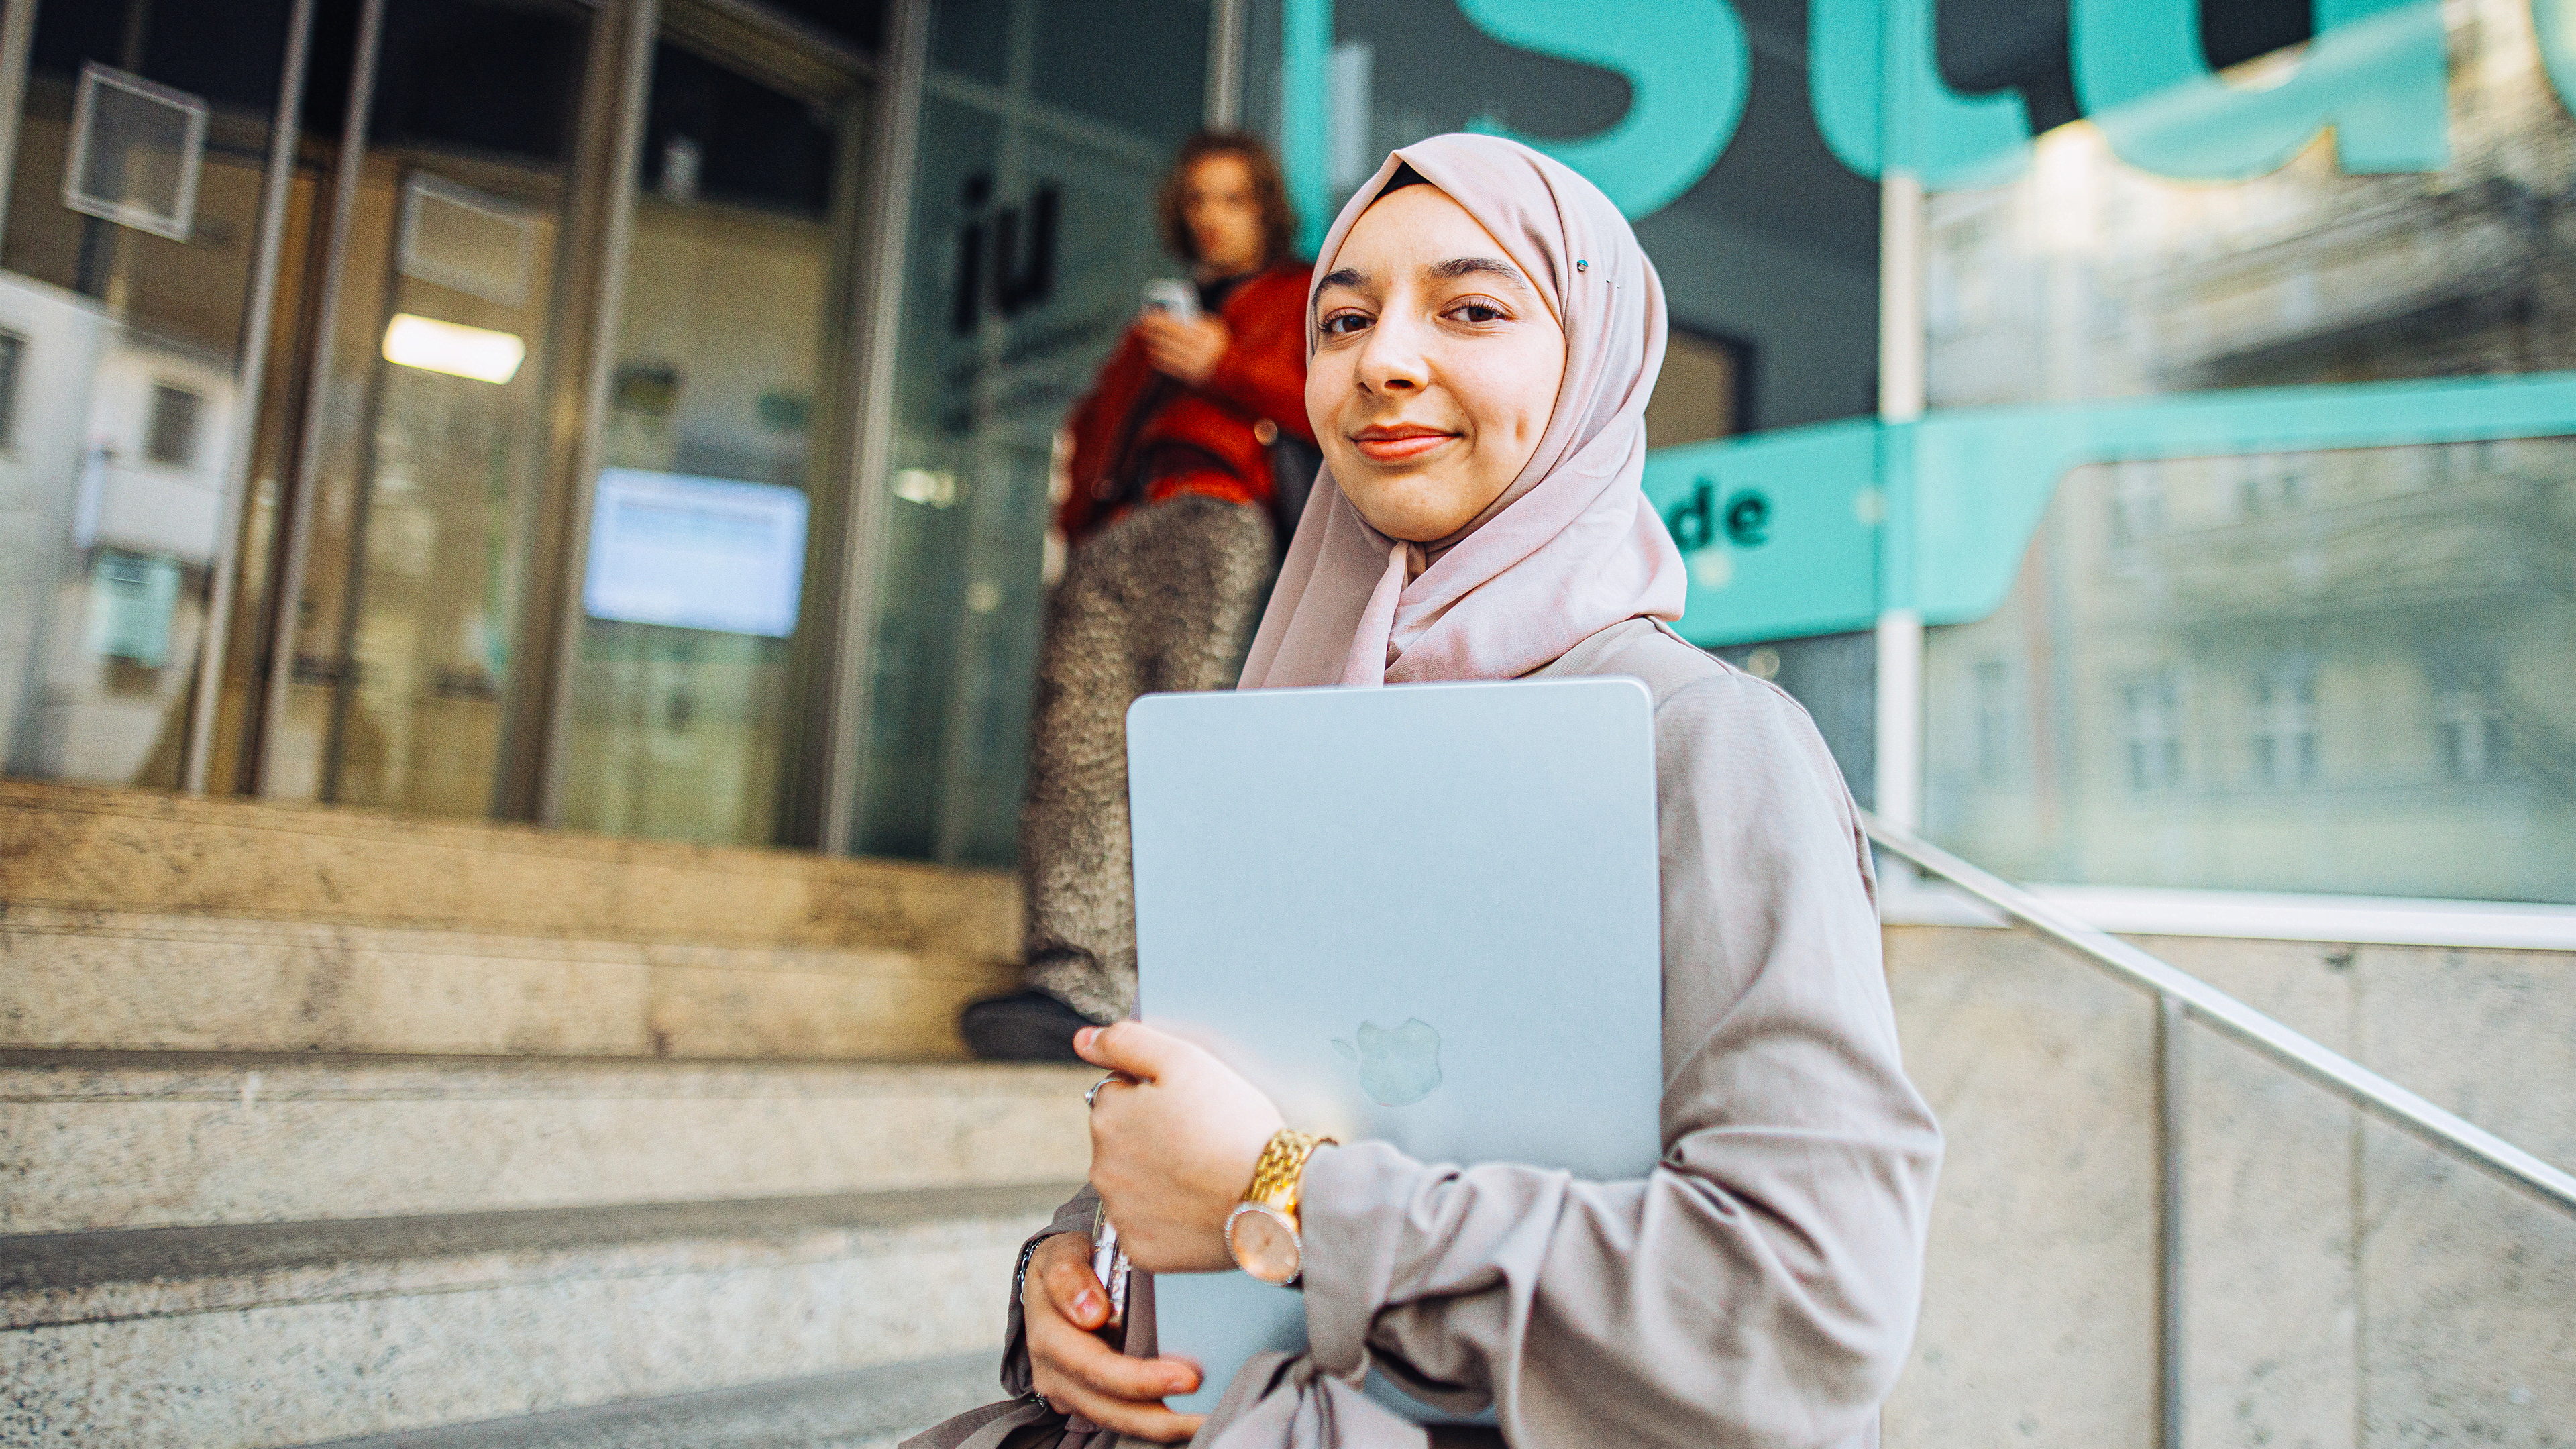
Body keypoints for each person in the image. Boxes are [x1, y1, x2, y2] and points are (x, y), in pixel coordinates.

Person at [912, 134, 1941, 1449]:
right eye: (1343, 320)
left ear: (1592, 360)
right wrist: (1082, 1273)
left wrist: (1284, 1197)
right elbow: (1247, 1103)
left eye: (1472, 308)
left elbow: (1808, 1309)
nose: (1383, 360)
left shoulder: (1706, 744)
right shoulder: (1285, 722)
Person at [962, 133, 1316, 1061]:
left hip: (1222, 514)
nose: (1211, 214)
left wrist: (1224, 366)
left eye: (1233, 197)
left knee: (1187, 748)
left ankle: (1183, 987)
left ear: (1265, 207)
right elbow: (1091, 431)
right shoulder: (1148, 328)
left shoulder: (1305, 296)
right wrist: (1080, 530)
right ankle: (1071, 978)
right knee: (1075, 752)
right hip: (1119, 533)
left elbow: (1338, 404)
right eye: (1198, 198)